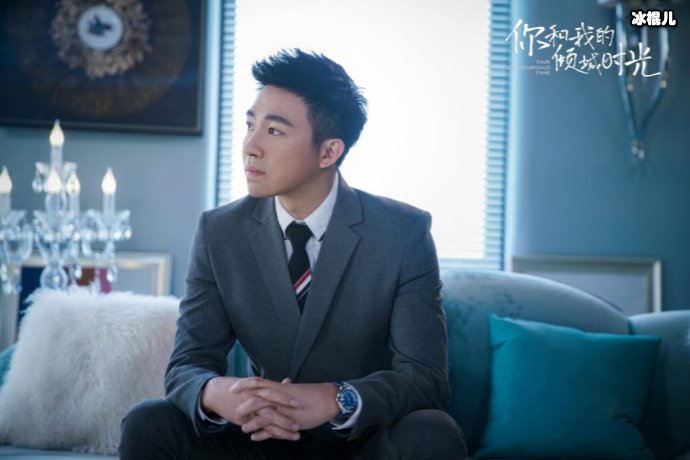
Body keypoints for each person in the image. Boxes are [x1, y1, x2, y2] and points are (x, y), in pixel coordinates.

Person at [120, 48, 467, 459]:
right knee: (149, 422)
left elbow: (426, 379)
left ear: (328, 152)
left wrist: (337, 398)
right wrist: (218, 391)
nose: (250, 146)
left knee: (433, 433)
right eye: (250, 125)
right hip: (258, 439)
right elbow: (186, 366)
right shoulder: (219, 231)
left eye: (274, 131)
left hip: (361, 442)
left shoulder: (402, 232)